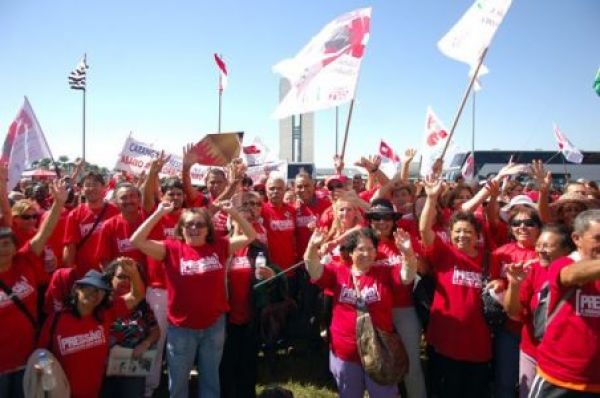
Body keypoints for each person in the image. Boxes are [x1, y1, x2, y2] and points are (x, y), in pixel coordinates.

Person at [130, 199, 256, 398]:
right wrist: (158, 214)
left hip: (214, 326)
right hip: (182, 329)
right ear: (181, 228)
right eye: (189, 224)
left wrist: (233, 212)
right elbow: (136, 240)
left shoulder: (220, 246)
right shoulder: (170, 249)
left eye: (200, 224)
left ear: (208, 229)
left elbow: (251, 235)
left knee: (210, 378)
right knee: (179, 381)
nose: (194, 228)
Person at [305, 227, 417, 398]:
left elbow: (407, 276)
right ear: (350, 252)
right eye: (361, 249)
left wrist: (408, 254)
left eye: (371, 249)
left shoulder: (385, 272)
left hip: (380, 353)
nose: (367, 253)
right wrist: (312, 247)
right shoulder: (338, 272)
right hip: (346, 353)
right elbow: (313, 268)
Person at [419, 174, 493, 398]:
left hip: (478, 342)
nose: (462, 236)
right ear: (450, 235)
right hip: (444, 339)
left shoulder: (489, 258)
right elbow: (424, 230)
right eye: (457, 231)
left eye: (468, 232)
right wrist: (431, 199)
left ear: (477, 235)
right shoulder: (444, 253)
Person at [38, 263, 145, 398]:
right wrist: (44, 371)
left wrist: (134, 272)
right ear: (77, 289)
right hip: (61, 393)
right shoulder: (56, 319)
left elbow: (137, 296)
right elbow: (41, 352)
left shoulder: (105, 314)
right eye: (89, 288)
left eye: (99, 291)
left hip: (94, 392)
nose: (94, 294)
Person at [529, 210, 600, 396]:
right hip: (556, 380)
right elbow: (571, 276)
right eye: (598, 238)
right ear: (576, 238)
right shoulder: (562, 264)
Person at [502, 224, 575, 397]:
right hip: (533, 352)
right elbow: (513, 313)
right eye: (539, 245)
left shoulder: (579, 274)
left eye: (547, 246)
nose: (540, 250)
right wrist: (514, 284)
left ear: (566, 250)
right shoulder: (532, 270)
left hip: (566, 359)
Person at [367, 199, 425, 398]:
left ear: (393, 220)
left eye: (386, 217)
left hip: (404, 308)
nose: (381, 222)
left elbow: (419, 270)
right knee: (380, 361)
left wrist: (409, 252)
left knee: (411, 363)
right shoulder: (364, 243)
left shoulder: (403, 239)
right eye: (376, 217)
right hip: (374, 310)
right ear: (369, 220)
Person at [219, 192, 275, 398]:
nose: (243, 224)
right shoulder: (220, 246)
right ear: (231, 222)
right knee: (225, 365)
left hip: (251, 316)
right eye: (238, 219)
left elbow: (269, 282)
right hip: (225, 318)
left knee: (248, 365)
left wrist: (271, 277)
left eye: (248, 220)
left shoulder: (258, 249)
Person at [489, 208, 543, 398]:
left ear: (538, 227)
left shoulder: (545, 252)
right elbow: (494, 281)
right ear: (510, 228)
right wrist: (500, 282)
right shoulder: (499, 253)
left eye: (529, 223)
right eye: (516, 223)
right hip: (509, 328)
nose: (522, 227)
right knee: (505, 380)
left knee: (533, 385)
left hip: (538, 330)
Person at [101, 258, 160, 398]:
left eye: (131, 277)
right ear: (110, 278)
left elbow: (156, 331)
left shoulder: (142, 305)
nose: (126, 281)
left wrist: (145, 344)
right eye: (121, 277)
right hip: (104, 369)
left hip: (133, 367)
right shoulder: (101, 304)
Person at [63, 171, 119, 271]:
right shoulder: (74, 214)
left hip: (112, 272)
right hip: (85, 274)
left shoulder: (116, 211)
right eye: (87, 185)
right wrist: (69, 271)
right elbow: (70, 246)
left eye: (95, 184)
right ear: (82, 189)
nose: (91, 188)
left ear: (104, 188)